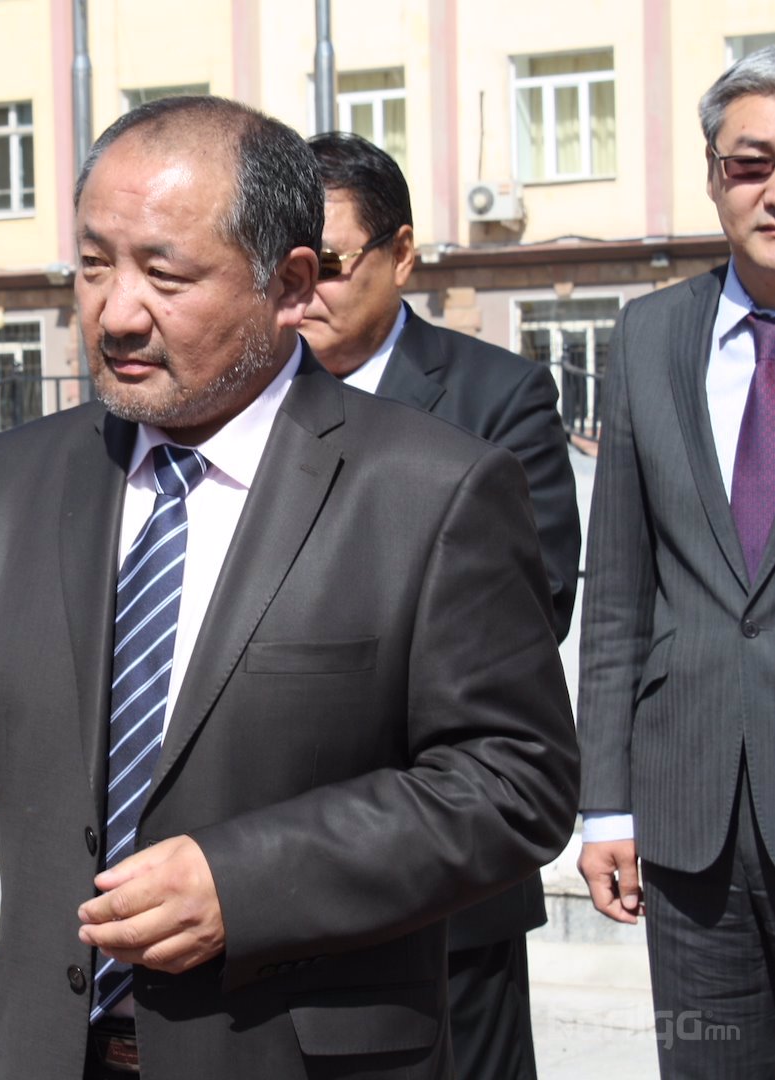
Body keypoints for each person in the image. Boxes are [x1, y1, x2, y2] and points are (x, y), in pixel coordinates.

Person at [0, 95, 579, 1079]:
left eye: (165, 274)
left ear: (290, 283)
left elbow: (511, 781)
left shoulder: (429, 489)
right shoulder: (23, 477)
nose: (116, 312)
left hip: (294, 1056)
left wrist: (244, 882)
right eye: (93, 264)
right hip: (53, 1047)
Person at [302, 131, 580, 1080]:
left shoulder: (495, 397)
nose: (301, 290)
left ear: (401, 254)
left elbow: (535, 606)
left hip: (444, 873)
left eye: (327, 263)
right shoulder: (244, 397)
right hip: (266, 879)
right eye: (281, 265)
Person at [578, 44, 775, 1077]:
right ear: (713, 174)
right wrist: (606, 804)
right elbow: (616, 592)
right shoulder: (650, 335)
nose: (772, 192)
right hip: (691, 816)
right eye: (752, 164)